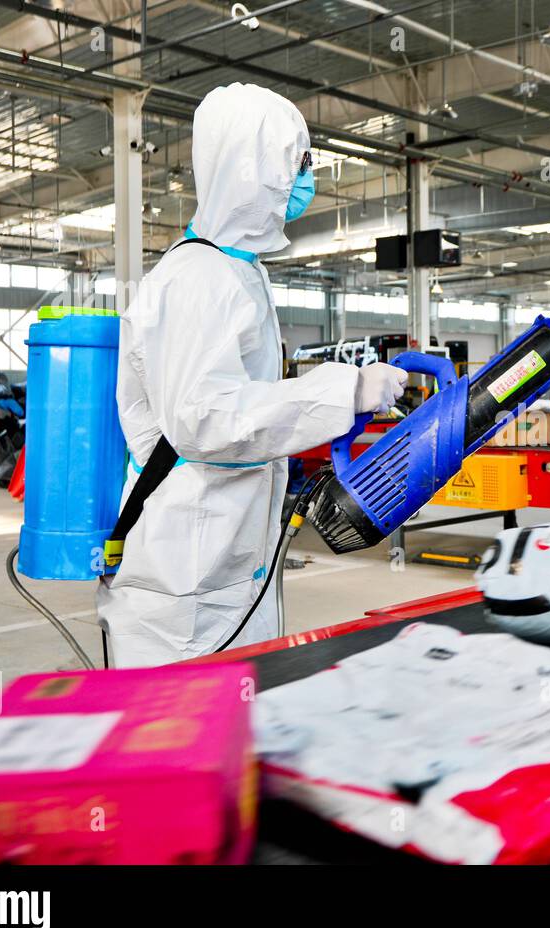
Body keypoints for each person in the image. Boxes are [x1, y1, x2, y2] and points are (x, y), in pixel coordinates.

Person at [96, 83, 406, 667]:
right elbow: (205, 420)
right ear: (250, 168)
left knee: (235, 729)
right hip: (186, 579)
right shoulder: (197, 278)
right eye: (296, 162)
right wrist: (342, 390)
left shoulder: (240, 274)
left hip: (228, 561)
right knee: (177, 743)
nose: (305, 178)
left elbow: (247, 404)